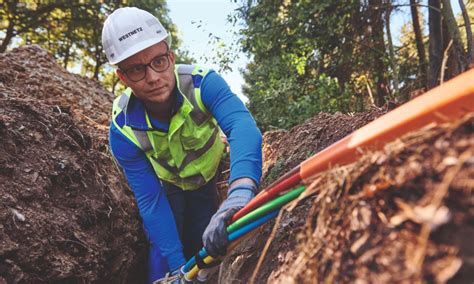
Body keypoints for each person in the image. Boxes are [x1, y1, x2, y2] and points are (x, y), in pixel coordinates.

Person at [101, 7, 262, 283]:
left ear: (171, 57)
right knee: (164, 252)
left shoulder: (202, 84)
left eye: (159, 62)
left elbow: (242, 126)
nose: (153, 77)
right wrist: (177, 270)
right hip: (170, 188)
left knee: (208, 241)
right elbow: (150, 200)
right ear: (123, 77)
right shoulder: (122, 127)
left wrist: (240, 192)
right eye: (137, 70)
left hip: (209, 180)